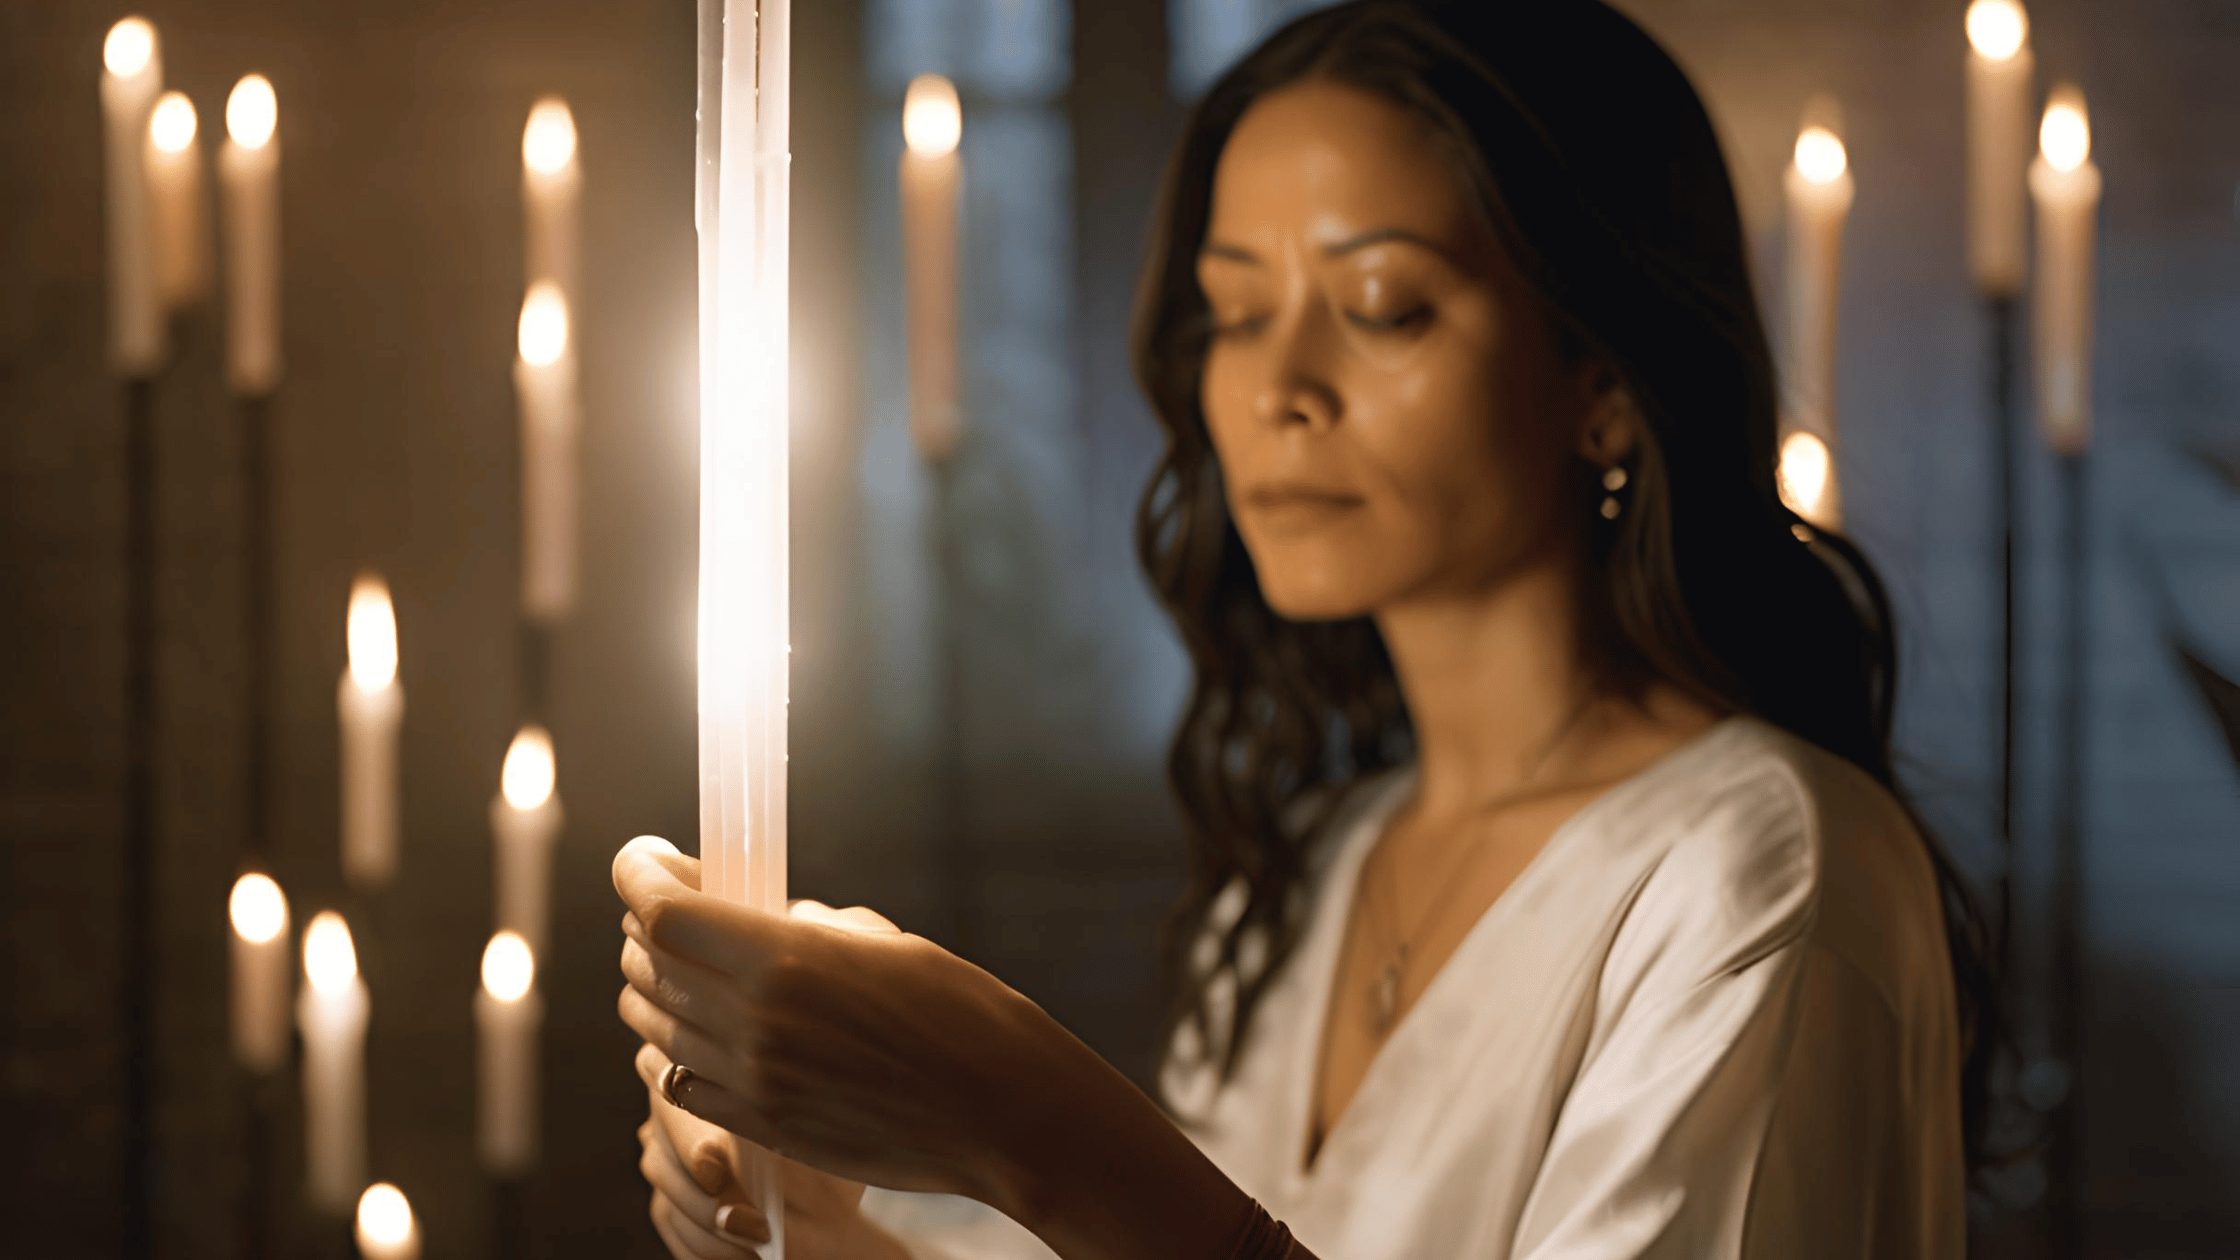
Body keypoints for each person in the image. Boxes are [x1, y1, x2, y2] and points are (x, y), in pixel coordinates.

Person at [614, 2, 1997, 1256]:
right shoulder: (1308, 879)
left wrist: (1032, 1130)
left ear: (1604, 377)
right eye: (1232, 312)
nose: (1277, 386)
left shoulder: (1760, 869)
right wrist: (820, 1224)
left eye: (1383, 306)